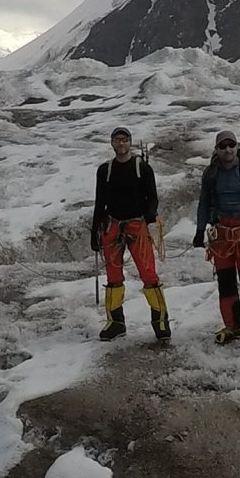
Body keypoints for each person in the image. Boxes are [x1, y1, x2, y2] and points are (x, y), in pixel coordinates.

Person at [90, 127, 170, 342]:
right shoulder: (104, 170)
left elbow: (152, 197)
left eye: (125, 140)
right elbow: (100, 202)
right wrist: (94, 230)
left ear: (130, 142)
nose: (121, 144)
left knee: (148, 273)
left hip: (136, 224)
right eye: (117, 140)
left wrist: (150, 214)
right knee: (113, 276)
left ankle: (160, 321)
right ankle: (115, 322)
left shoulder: (142, 168)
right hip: (112, 225)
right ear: (112, 143)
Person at [193, 131, 240, 352]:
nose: (227, 149)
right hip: (222, 234)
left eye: (231, 145)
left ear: (236, 147)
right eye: (223, 146)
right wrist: (199, 230)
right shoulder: (211, 173)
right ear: (216, 149)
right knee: (225, 282)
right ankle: (233, 326)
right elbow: (204, 203)